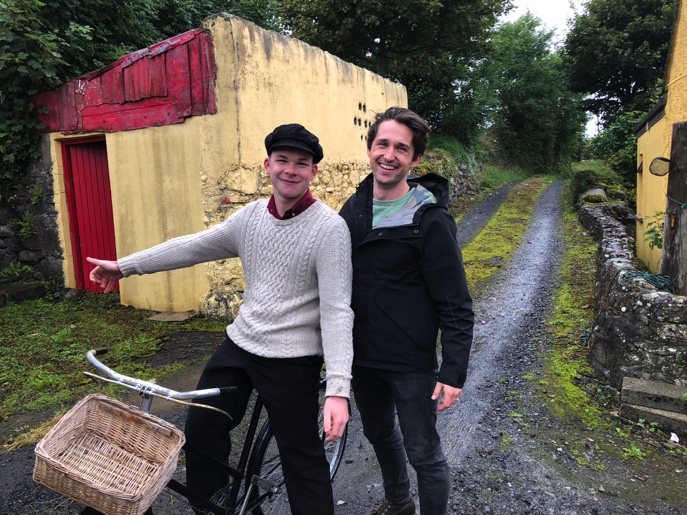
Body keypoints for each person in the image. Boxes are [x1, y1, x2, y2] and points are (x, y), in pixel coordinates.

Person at [87, 123, 353, 515]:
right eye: (282, 160)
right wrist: (124, 267)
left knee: (301, 458)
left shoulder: (330, 230)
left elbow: (336, 311)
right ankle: (217, 507)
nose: (290, 170)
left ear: (314, 172)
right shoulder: (248, 219)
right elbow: (192, 246)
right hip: (240, 345)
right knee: (200, 432)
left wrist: (338, 390)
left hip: (293, 358)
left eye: (301, 163)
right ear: (268, 165)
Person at [339, 107, 474, 515]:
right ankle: (399, 502)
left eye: (402, 148)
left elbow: (455, 301)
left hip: (411, 361)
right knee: (380, 435)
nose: (389, 154)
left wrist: (453, 370)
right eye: (383, 144)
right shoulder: (354, 207)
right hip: (363, 356)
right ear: (369, 148)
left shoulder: (429, 218)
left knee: (424, 451)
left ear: (415, 160)